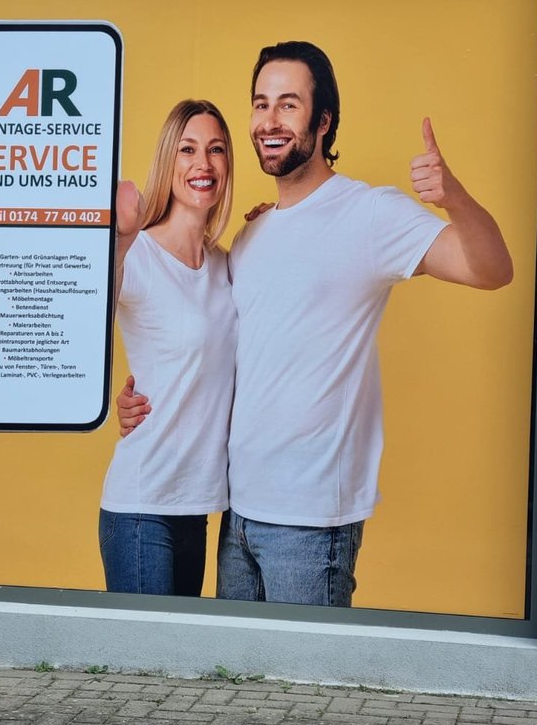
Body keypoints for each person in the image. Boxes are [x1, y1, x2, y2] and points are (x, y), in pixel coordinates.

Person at [117, 41, 513, 607]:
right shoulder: (249, 238)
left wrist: (454, 199)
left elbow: (492, 269)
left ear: (323, 121)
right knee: (237, 688)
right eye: (260, 105)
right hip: (236, 514)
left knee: (303, 693)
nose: (269, 121)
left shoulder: (370, 214)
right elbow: (198, 346)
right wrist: (131, 402)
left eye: (288, 105)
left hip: (311, 520)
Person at [0, 99, 238, 597]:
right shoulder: (134, 253)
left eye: (216, 150)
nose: (202, 163)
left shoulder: (227, 265)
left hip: (198, 507)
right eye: (187, 149)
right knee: (145, 671)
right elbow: (69, 307)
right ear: (168, 161)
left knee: (177, 671)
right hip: (142, 507)